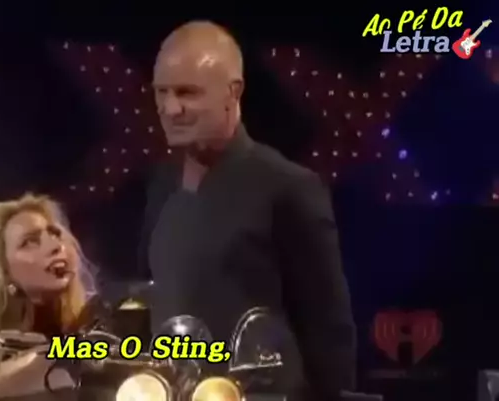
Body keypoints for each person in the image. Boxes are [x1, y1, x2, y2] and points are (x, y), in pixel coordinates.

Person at [139, 21, 356, 400]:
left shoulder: (287, 187)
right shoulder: (162, 183)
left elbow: (328, 330)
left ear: (233, 91)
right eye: (162, 92)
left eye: (187, 92)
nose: (171, 108)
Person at [0, 193, 97, 398]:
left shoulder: (94, 333)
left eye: (54, 234)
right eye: (30, 242)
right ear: (0, 271)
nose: (56, 246)